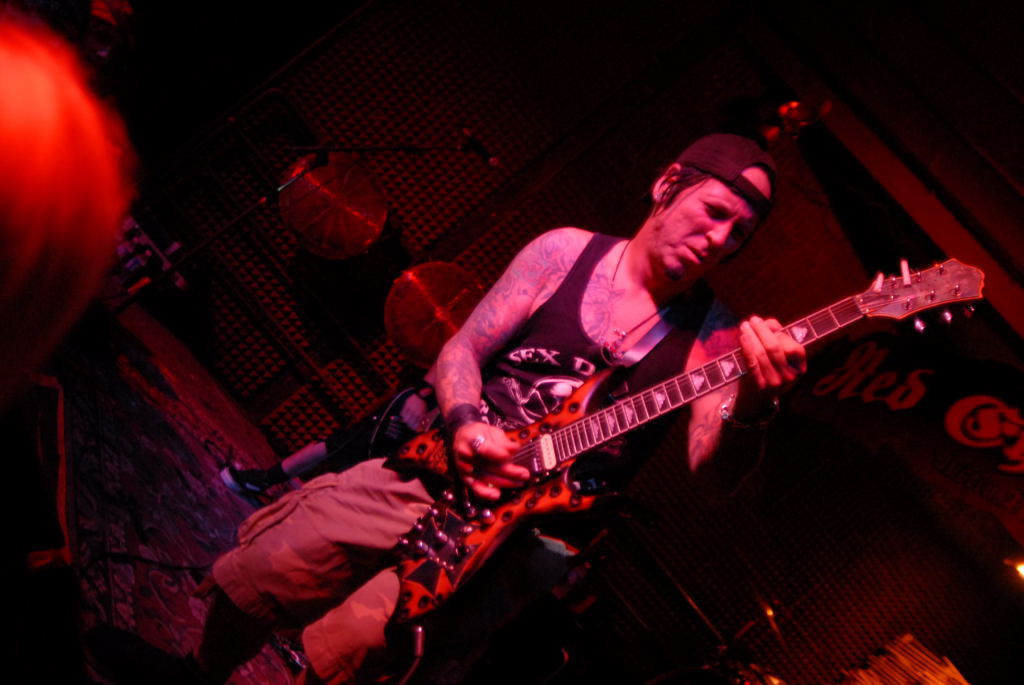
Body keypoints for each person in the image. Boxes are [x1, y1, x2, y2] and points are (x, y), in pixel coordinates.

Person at [87, 133, 806, 685]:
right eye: (714, 214)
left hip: (518, 538)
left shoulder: (714, 339)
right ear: (668, 185)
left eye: (738, 235)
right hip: (441, 465)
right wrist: (464, 421)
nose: (719, 240)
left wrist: (755, 408)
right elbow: (462, 348)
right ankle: (193, 676)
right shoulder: (565, 253)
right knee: (270, 566)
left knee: (359, 653)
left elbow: (713, 473)